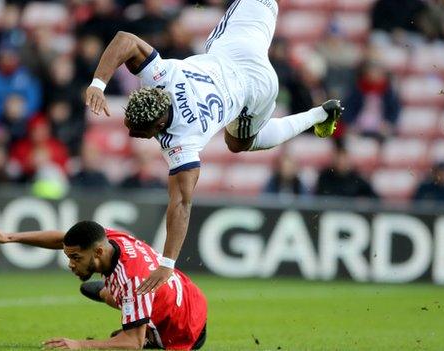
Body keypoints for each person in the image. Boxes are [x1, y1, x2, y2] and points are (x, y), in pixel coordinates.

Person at [85, 0, 342, 293]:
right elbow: (125, 40)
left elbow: (181, 203)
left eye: (138, 131)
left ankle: (316, 116)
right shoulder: (162, 75)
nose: (131, 135)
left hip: (255, 89)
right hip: (238, 49)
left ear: (158, 126)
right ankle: (320, 113)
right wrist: (97, 84)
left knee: (237, 142)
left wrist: (168, 263)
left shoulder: (183, 142)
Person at [0, 221, 208, 350]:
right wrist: (10, 237)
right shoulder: (111, 238)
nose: (71, 264)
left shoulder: (133, 281)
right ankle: (108, 294)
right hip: (188, 296)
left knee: (120, 340)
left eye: (76, 258)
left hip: (183, 329)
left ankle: (148, 335)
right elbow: (64, 239)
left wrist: (79, 345)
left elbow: (131, 343)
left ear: (98, 252)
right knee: (118, 298)